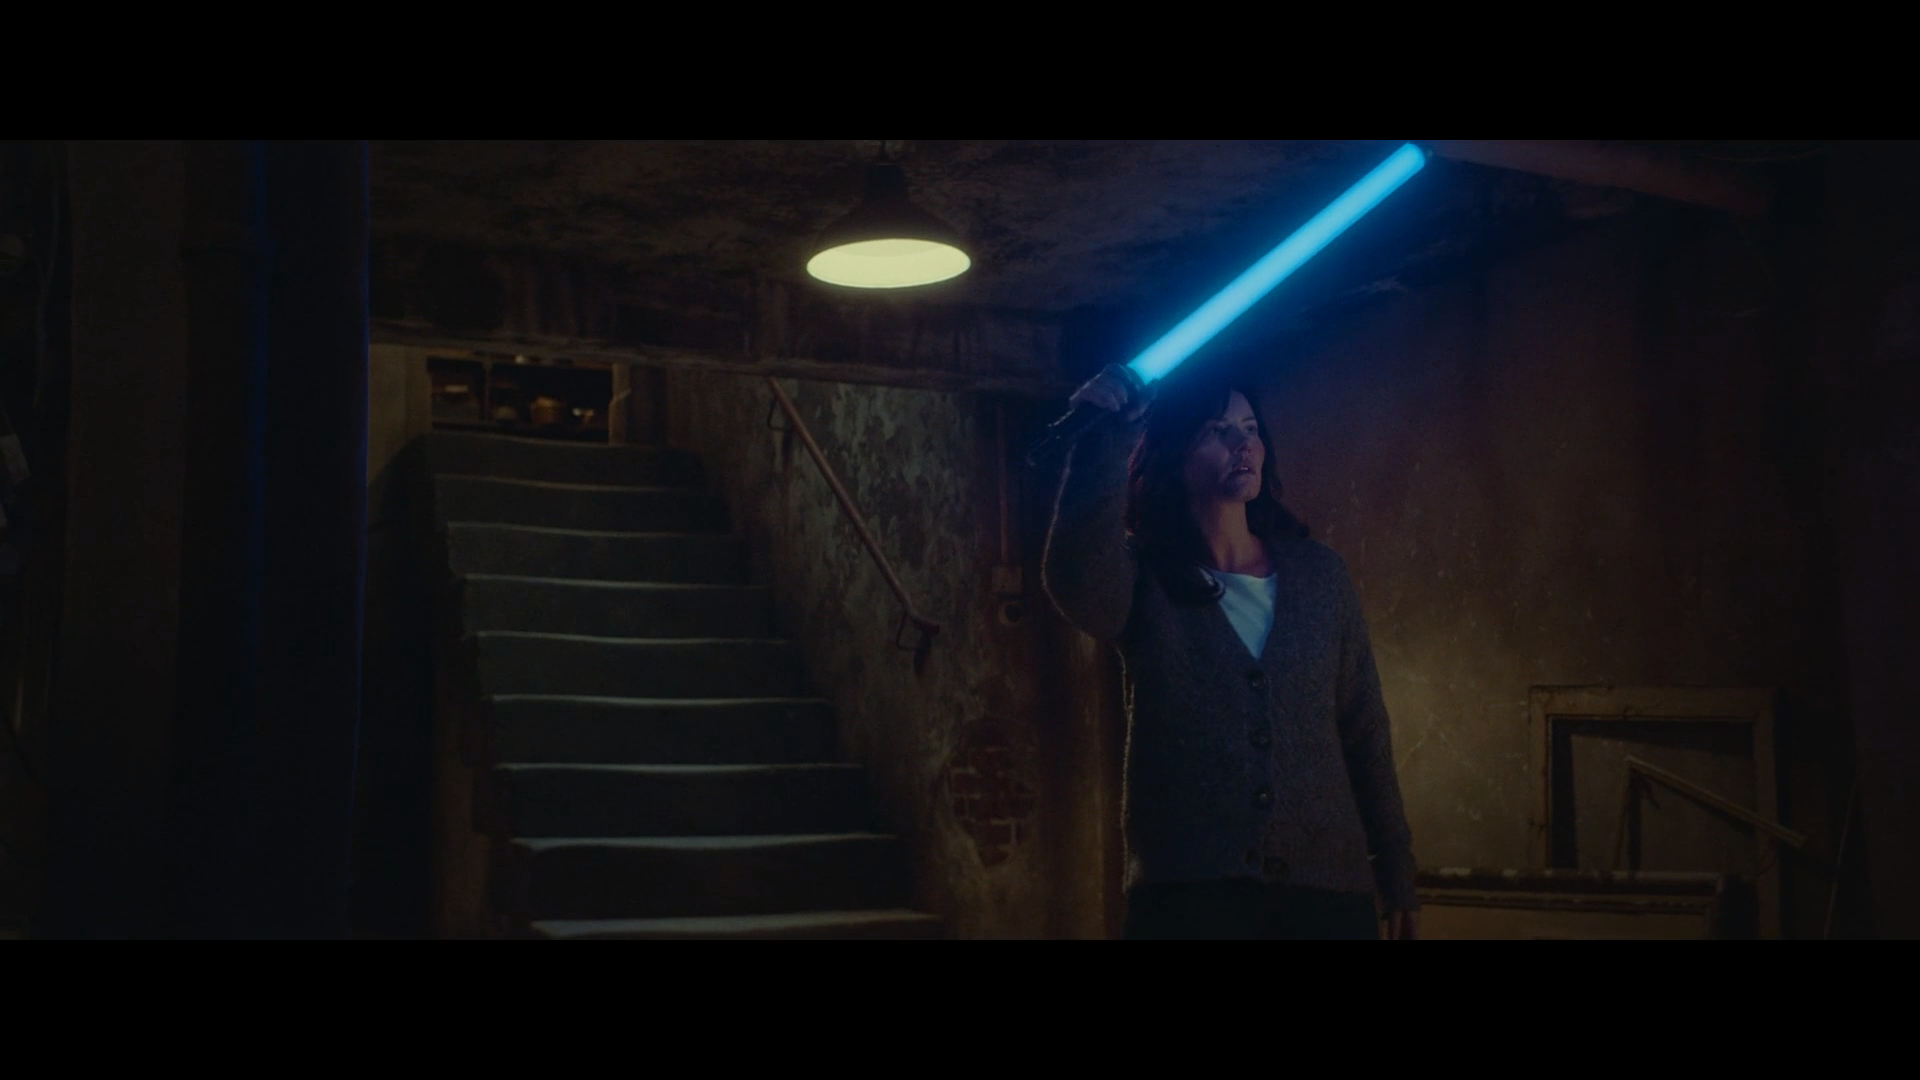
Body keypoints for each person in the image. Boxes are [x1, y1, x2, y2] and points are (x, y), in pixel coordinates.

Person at [1043, 365, 1420, 940]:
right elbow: (1075, 581)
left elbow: (1364, 728)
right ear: (1176, 455)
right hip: (1189, 898)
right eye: (1218, 431)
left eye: (1250, 428)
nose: (1243, 443)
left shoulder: (1320, 578)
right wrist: (1103, 441)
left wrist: (1394, 869)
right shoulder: (1145, 581)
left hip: (1325, 897)